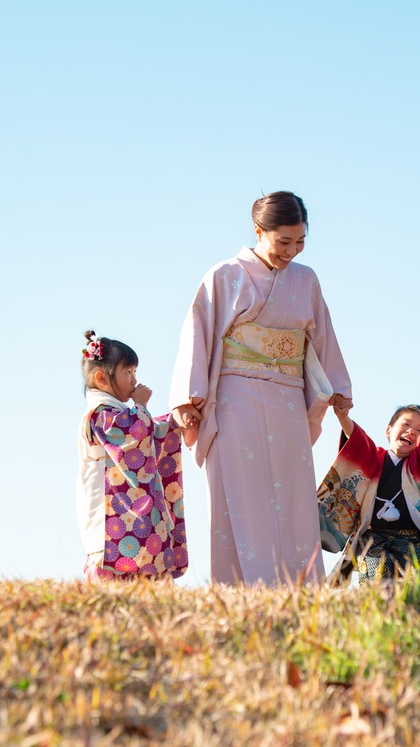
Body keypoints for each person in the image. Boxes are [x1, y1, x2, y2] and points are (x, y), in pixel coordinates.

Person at [169, 191, 352, 586]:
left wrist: (338, 386)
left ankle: (300, 587)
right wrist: (189, 398)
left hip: (287, 396)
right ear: (258, 231)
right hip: (235, 394)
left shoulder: (306, 280)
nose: (292, 251)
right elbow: (197, 334)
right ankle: (240, 590)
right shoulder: (223, 275)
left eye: (300, 242)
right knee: (239, 492)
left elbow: (322, 337)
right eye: (284, 241)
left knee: (293, 496)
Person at [317, 380, 420, 582]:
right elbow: (356, 439)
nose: (411, 432)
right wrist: (342, 416)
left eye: (419, 430)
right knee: (378, 585)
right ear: (388, 430)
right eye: (406, 424)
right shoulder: (373, 458)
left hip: (417, 539)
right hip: (374, 541)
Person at [75, 330, 188, 582]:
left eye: (135, 372)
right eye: (128, 373)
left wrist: (173, 423)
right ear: (102, 378)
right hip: (108, 526)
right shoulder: (99, 414)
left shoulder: (118, 414)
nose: (134, 379)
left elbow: (147, 431)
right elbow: (133, 435)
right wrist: (140, 406)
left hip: (128, 521)